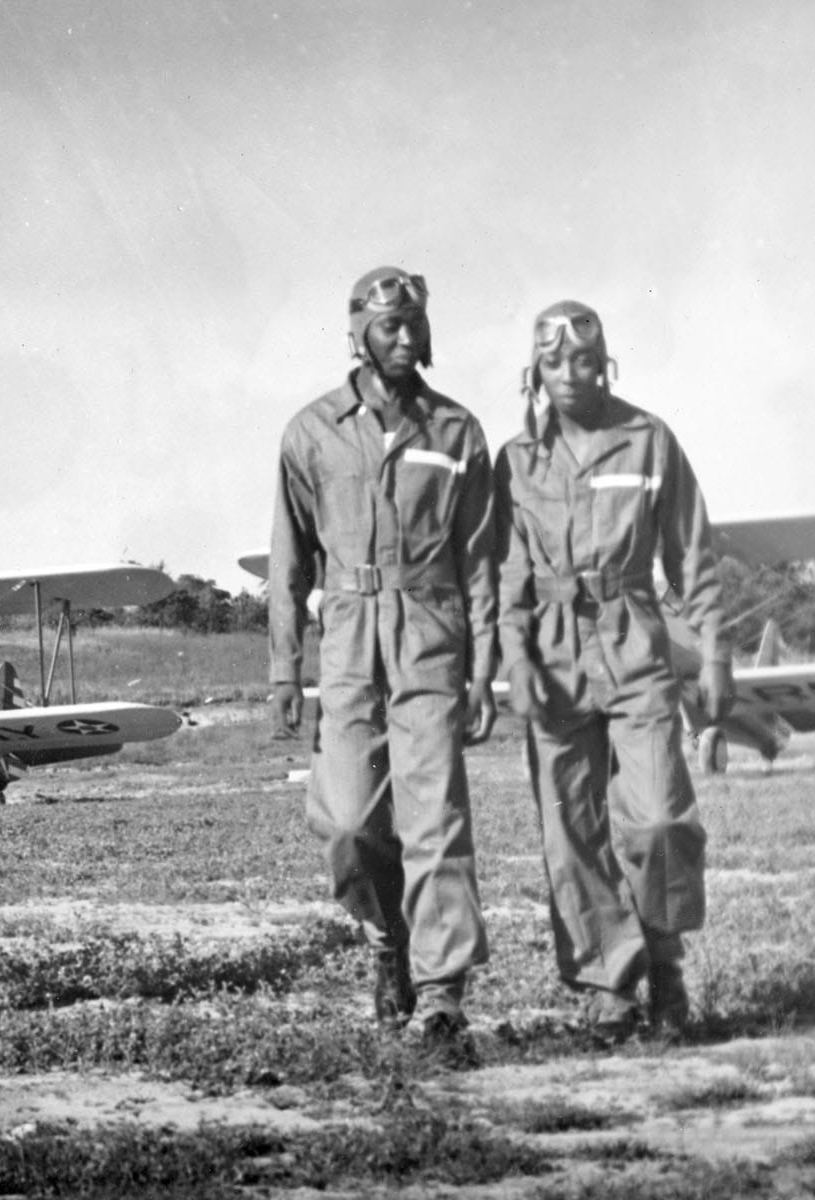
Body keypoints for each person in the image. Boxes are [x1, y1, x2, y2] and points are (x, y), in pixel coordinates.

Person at [268, 267, 499, 1047]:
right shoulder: (311, 432)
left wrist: (483, 668)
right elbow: (288, 562)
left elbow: (482, 564)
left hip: (431, 634)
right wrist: (283, 671)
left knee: (435, 818)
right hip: (346, 640)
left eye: (413, 325)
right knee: (348, 824)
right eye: (387, 326)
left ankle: (440, 995)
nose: (404, 339)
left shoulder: (458, 432)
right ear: (358, 332)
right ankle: (387, 938)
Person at [495, 300, 733, 1042]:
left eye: (587, 361)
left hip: (634, 642)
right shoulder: (516, 461)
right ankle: (611, 988)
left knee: (659, 816)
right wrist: (516, 658)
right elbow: (505, 576)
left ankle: (664, 965)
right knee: (572, 830)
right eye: (556, 362)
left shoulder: (647, 440)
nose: (572, 375)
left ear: (608, 364)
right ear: (535, 371)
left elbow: (693, 557)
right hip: (555, 654)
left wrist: (717, 652)